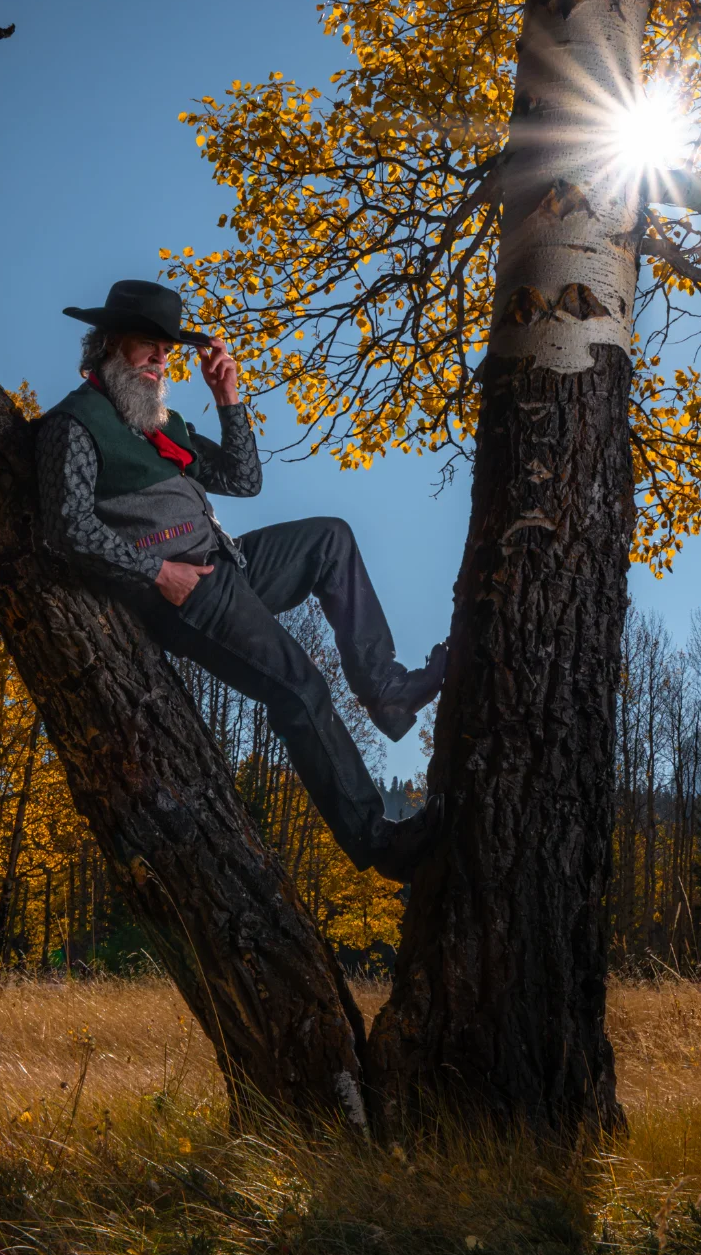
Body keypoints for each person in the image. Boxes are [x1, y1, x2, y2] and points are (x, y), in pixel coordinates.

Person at [36, 279, 447, 881]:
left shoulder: (161, 422)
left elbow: (243, 478)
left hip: (231, 562)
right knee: (300, 689)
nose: (160, 360)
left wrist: (227, 398)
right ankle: (378, 842)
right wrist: (157, 572)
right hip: (188, 587)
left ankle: (386, 690)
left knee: (331, 538)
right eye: (147, 346)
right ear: (107, 346)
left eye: (166, 350)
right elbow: (65, 527)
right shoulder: (73, 424)